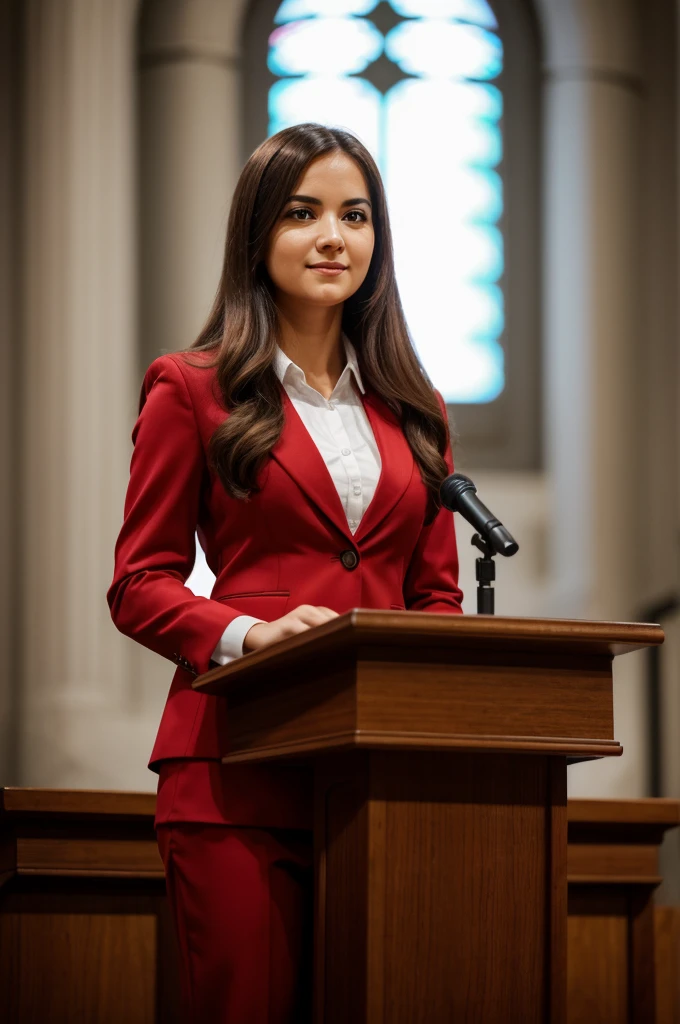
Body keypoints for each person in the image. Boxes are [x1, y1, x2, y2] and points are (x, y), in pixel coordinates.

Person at [107, 121, 464, 1023]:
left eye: (355, 215)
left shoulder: (416, 408)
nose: (332, 238)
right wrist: (248, 634)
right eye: (303, 214)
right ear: (258, 234)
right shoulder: (189, 388)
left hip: (381, 777)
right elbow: (139, 582)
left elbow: (436, 597)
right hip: (234, 763)